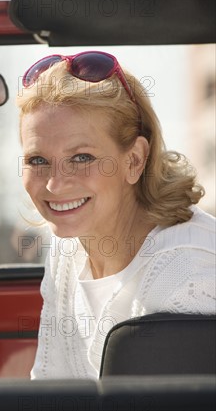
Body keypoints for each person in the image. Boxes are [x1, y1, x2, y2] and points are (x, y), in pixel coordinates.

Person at [16, 51, 216, 379]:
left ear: (135, 160)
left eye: (81, 157)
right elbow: (52, 386)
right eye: (37, 160)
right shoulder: (66, 249)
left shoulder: (187, 274)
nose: (54, 184)